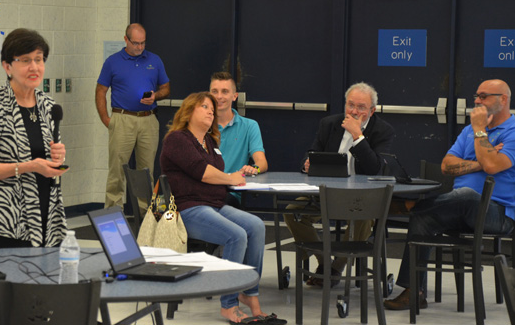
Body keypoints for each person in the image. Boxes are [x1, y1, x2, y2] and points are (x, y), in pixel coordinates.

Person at [384, 79, 515, 311]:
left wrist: (480, 131)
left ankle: (410, 206)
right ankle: (415, 291)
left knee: (465, 194)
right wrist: (479, 163)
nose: (476, 100)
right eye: (476, 95)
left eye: (483, 96)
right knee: (425, 218)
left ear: (503, 99)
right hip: (456, 208)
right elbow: (446, 165)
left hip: (497, 212)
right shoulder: (468, 131)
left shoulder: (510, 131)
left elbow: (493, 167)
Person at [160, 92, 286, 325]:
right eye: (205, 107)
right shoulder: (177, 139)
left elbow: (214, 173)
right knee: (235, 236)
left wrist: (229, 178)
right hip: (188, 209)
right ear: (189, 111)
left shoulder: (209, 142)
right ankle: (228, 305)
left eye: (212, 109)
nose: (211, 111)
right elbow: (203, 173)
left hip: (214, 205)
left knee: (256, 226)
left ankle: (248, 292)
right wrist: (230, 178)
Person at [0, 28, 69, 249]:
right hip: (2, 223)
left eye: (39, 60)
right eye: (25, 60)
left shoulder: (48, 106)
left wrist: (57, 157)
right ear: (7, 66)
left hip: (45, 221)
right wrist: (29, 166)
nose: (34, 67)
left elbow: (45, 159)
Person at [283, 82, 394, 286]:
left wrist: (357, 136)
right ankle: (324, 262)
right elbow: (311, 153)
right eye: (350, 105)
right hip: (326, 193)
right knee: (293, 213)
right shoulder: (329, 124)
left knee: (365, 218)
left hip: (363, 197)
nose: (354, 111)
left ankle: (337, 267)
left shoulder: (382, 130)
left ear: (372, 110)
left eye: (361, 107)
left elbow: (374, 168)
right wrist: (307, 164)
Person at [95, 23, 170, 209]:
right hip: (122, 118)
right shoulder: (112, 62)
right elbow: (100, 91)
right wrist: (106, 119)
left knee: (146, 171)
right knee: (117, 170)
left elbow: (166, 88)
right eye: (135, 43)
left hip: (148, 119)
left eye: (143, 43)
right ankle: (113, 213)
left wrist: (156, 96)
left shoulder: (155, 60)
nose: (139, 47)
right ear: (126, 39)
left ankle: (146, 214)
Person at [209, 71, 268, 206]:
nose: (219, 96)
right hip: (202, 189)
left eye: (224, 91)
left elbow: (262, 162)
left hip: (230, 192)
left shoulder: (249, 126)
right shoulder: (200, 126)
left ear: (234, 96)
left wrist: (254, 168)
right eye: (214, 91)